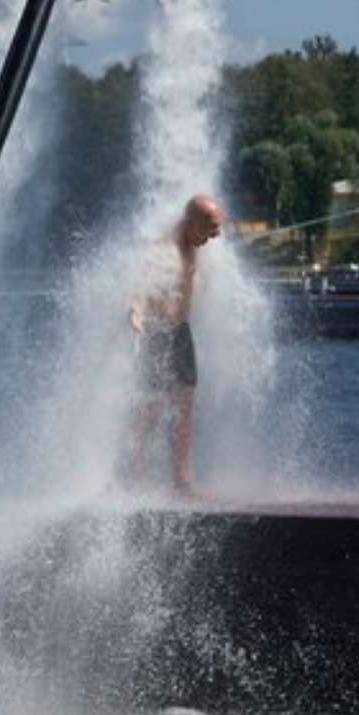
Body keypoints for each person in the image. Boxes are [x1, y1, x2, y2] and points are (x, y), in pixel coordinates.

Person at [127, 194, 225, 494]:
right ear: (191, 223)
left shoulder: (195, 240)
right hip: (158, 335)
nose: (215, 236)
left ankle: (181, 480)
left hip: (181, 333)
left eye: (217, 228)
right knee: (152, 409)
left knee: (184, 408)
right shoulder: (165, 248)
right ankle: (134, 477)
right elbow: (142, 283)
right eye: (210, 228)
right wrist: (135, 311)